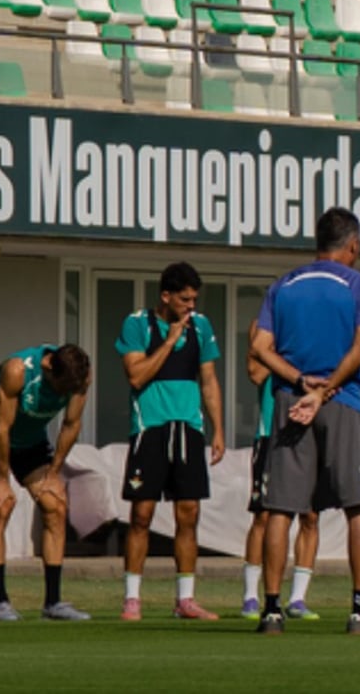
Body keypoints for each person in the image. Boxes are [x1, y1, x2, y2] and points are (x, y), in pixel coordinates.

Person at [251, 207, 360, 635]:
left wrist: (298, 381)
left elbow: (259, 347)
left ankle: (271, 610)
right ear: (353, 245)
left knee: (280, 509)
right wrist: (324, 391)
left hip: (290, 401)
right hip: (342, 401)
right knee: (359, 507)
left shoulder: (283, 285)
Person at [115, 261, 225, 621]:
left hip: (188, 428)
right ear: (165, 296)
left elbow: (208, 380)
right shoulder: (138, 324)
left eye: (194, 299)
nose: (191, 306)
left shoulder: (202, 327)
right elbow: (136, 375)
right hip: (150, 428)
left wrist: (218, 430)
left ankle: (186, 599)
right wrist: (171, 339)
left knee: (189, 512)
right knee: (142, 514)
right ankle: (132, 598)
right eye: (184, 299)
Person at [0, 343, 93, 621]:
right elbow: (2, 428)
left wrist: (53, 473)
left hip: (32, 441)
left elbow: (71, 425)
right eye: (60, 388)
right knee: (1, 506)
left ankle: (53, 603)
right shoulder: (16, 371)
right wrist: (2, 480)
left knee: (56, 505)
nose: (63, 394)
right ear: (48, 367)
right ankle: (0, 602)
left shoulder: (80, 377)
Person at [241, 321, 320, 622]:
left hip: (311, 430)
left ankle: (298, 597)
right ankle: (251, 595)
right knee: (264, 514)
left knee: (310, 515)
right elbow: (256, 372)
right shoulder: (267, 329)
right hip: (271, 431)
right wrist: (283, 359)